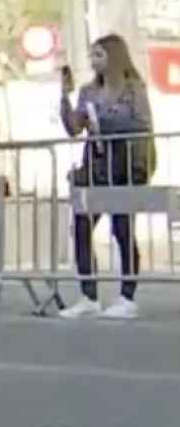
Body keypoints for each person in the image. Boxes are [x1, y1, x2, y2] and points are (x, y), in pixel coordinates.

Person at [57, 34, 153, 320]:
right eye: (91, 56)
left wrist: (103, 119)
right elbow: (74, 127)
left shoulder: (133, 88)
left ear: (113, 57)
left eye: (99, 55)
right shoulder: (88, 91)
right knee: (82, 226)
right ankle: (88, 294)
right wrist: (64, 96)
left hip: (125, 167)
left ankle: (127, 296)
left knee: (122, 229)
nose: (94, 62)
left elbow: (141, 122)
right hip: (96, 167)